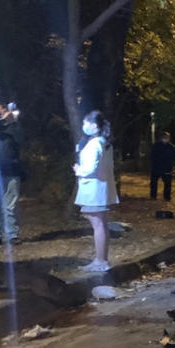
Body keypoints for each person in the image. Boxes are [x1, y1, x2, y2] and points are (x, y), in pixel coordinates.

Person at [73, 110, 119, 271]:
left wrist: (79, 170)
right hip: (101, 188)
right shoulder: (104, 142)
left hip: (94, 189)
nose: (83, 126)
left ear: (94, 126)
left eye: (85, 123)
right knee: (101, 224)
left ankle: (101, 261)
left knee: (98, 224)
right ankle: (101, 260)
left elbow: (90, 168)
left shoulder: (94, 144)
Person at [0, 102, 24, 246]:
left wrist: (11, 122)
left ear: (5, 112)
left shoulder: (12, 127)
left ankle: (12, 234)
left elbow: (22, 141)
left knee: (9, 205)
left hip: (11, 171)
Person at [150, 131, 175, 201]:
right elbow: (152, 156)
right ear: (161, 138)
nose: (166, 139)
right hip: (156, 167)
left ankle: (167, 197)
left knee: (167, 184)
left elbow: (174, 157)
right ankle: (153, 196)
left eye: (167, 137)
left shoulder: (171, 147)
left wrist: (172, 166)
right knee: (154, 183)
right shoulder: (156, 146)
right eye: (165, 137)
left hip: (167, 168)